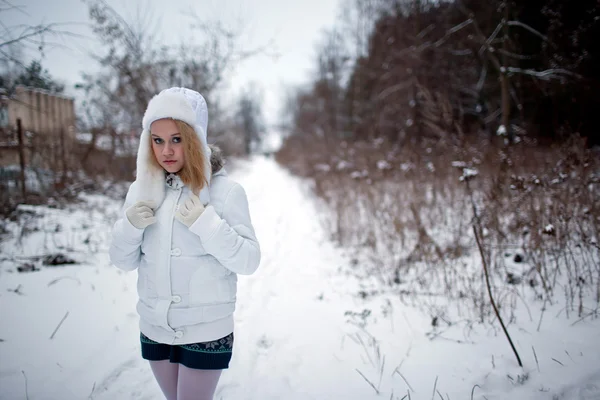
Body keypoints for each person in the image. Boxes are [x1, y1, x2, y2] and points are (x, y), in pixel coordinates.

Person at [109, 87, 261, 400]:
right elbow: (122, 260)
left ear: (195, 138)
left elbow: (249, 260)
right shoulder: (141, 192)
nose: (166, 150)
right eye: (158, 139)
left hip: (206, 330)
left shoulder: (226, 193)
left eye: (177, 139)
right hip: (156, 328)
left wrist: (207, 223)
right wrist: (131, 225)